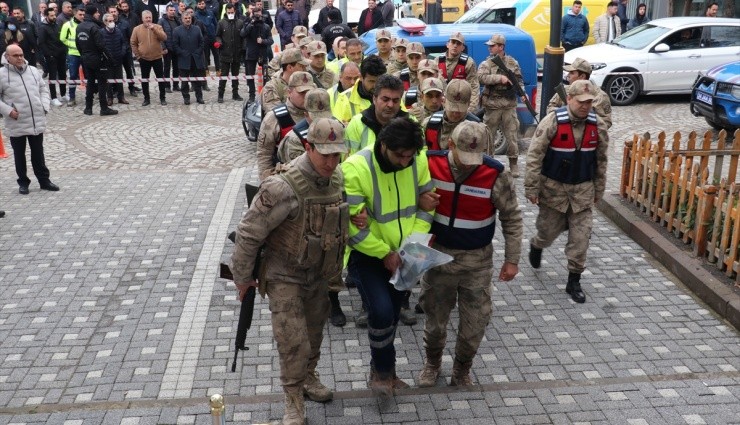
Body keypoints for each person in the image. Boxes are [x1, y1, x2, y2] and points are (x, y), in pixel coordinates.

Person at [231, 117, 349, 425]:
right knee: (293, 341)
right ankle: (293, 401)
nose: (332, 161)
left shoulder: (336, 179)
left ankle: (309, 378)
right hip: (286, 276)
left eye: (337, 154)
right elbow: (248, 232)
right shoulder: (282, 185)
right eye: (326, 154)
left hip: (319, 275)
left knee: (313, 335)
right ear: (308, 147)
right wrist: (243, 277)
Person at [418, 122, 522, 388]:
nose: (470, 165)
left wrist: (512, 259)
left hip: (476, 263)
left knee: (474, 324)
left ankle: (462, 369)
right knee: (435, 322)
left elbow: (511, 217)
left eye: (475, 159)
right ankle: (432, 364)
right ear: (450, 145)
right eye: (464, 158)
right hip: (437, 258)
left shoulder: (495, 174)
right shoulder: (428, 165)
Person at [341, 116, 433, 396]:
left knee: (392, 314)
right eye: (399, 156)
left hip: (406, 254)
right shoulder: (355, 169)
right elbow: (351, 229)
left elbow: (427, 209)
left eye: (410, 156)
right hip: (367, 255)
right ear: (383, 145)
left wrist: (411, 247)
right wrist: (384, 253)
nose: (405, 162)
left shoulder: (418, 160)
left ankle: (385, 371)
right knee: (380, 311)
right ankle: (382, 372)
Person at [524, 80, 609, 304]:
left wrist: (599, 189)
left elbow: (601, 161)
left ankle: (574, 280)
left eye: (589, 102)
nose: (585, 106)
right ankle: (537, 244)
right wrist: (531, 187)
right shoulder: (552, 121)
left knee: (581, 239)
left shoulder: (597, 125)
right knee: (547, 233)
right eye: (581, 101)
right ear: (569, 99)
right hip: (553, 192)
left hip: (582, 192)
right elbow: (534, 156)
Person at [0, 45, 60, 195]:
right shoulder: (1, 74)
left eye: (21, 54)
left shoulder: (33, 71)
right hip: (16, 121)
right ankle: (23, 182)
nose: (20, 58)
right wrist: (8, 111)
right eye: (15, 55)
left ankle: (44, 180)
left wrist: (44, 106)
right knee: (19, 155)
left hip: (35, 119)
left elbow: (43, 90)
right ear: (7, 57)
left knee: (38, 153)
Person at [478, 34, 527, 177]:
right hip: (492, 104)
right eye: (489, 45)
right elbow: (480, 77)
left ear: (501, 47)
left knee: (511, 135)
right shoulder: (486, 64)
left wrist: (523, 93)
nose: (489, 48)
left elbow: (519, 80)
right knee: (489, 136)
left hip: (508, 104)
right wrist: (499, 78)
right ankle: (488, 162)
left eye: (492, 46)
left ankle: (513, 163)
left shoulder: (512, 62)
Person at [257, 71, 316, 180]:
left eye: (309, 92)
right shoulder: (274, 118)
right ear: (289, 92)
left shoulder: (319, 114)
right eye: (302, 93)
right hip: (285, 180)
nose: (307, 97)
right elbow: (264, 155)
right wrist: (267, 182)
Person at [546, 57, 612, 129]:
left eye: (572, 73)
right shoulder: (564, 90)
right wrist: (565, 112)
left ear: (582, 76)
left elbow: (606, 122)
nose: (568, 75)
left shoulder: (600, 96)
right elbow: (550, 108)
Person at [76, 4, 118, 116]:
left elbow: (78, 44)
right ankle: (104, 108)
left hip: (86, 58)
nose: (99, 14)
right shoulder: (94, 27)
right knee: (102, 84)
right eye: (97, 12)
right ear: (93, 13)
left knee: (90, 83)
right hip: (97, 59)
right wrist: (110, 59)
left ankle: (88, 108)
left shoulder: (80, 26)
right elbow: (101, 46)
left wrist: (84, 55)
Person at [422, 79, 482, 150]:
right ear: (444, 101)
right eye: (452, 109)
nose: (455, 114)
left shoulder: (477, 128)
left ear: (468, 104)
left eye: (460, 110)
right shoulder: (428, 124)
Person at [333, 54, 386, 124]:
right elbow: (337, 129)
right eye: (371, 81)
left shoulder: (391, 94)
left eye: (379, 81)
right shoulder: (344, 99)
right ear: (360, 77)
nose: (375, 85)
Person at [130, 9, 168, 106]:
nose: (148, 19)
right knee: (144, 79)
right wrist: (138, 56)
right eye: (146, 18)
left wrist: (153, 29)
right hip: (144, 59)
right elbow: (133, 43)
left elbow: (164, 38)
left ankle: (162, 98)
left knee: (160, 79)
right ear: (142, 19)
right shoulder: (137, 29)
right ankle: (146, 98)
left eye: (149, 17)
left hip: (157, 58)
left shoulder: (158, 27)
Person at [438, 32, 479, 114]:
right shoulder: (437, 60)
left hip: (460, 106)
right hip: (441, 105)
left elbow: (474, 87)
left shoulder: (468, 63)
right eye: (453, 42)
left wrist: (471, 110)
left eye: (459, 44)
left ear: (463, 48)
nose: (455, 45)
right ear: (447, 44)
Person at [261, 47, 308, 115]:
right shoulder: (272, 87)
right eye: (301, 66)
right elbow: (276, 114)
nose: (305, 69)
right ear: (290, 67)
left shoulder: (306, 83)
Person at [241, 5, 273, 102]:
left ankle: (264, 94)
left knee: (265, 75)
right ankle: (251, 95)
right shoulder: (248, 23)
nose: (258, 17)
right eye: (256, 15)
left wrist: (263, 41)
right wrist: (251, 22)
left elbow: (271, 40)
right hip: (251, 53)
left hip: (262, 53)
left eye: (259, 15)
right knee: (250, 75)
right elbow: (242, 34)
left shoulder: (266, 26)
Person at [173, 11, 205, 105]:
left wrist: (198, 52)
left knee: (197, 81)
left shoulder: (197, 29)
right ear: (182, 20)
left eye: (189, 18)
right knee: (184, 81)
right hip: (184, 59)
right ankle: (186, 98)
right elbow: (175, 45)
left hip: (196, 59)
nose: (188, 20)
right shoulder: (177, 30)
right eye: (186, 18)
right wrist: (182, 53)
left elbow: (202, 42)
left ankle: (199, 97)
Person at [38, 7, 67, 107]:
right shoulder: (43, 27)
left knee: (63, 75)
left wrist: (64, 50)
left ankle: (63, 94)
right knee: (53, 77)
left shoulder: (57, 25)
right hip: (51, 56)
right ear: (46, 16)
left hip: (61, 55)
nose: (54, 17)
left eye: (54, 15)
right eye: (52, 15)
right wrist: (49, 55)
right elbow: (41, 43)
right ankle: (54, 98)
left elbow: (62, 38)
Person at [214, 3, 243, 103]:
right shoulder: (221, 23)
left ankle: (235, 94)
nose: (230, 14)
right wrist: (219, 42)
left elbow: (242, 37)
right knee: (224, 76)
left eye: (232, 12)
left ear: (235, 11)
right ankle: (220, 95)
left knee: (235, 76)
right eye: (229, 12)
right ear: (226, 12)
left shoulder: (240, 22)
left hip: (236, 53)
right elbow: (217, 35)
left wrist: (242, 49)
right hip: (225, 53)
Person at [101, 12, 129, 106]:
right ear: (105, 22)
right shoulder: (101, 33)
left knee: (119, 79)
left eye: (113, 20)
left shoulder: (118, 31)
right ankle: (110, 98)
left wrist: (122, 52)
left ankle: (121, 97)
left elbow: (124, 43)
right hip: (107, 61)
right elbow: (100, 46)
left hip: (118, 58)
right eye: (110, 21)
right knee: (109, 81)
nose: (112, 22)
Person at [60, 6, 84, 107]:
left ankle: (91, 95)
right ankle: (72, 97)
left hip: (85, 53)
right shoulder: (67, 25)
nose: (82, 16)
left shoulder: (85, 24)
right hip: (73, 54)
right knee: (73, 76)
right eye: (80, 14)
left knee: (89, 75)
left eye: (83, 14)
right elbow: (62, 38)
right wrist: (71, 45)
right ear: (75, 14)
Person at [158, 5, 181, 93]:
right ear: (167, 11)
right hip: (167, 48)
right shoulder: (162, 21)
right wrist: (163, 47)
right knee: (167, 68)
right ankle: (167, 86)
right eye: (171, 10)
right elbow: (159, 36)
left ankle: (176, 85)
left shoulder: (177, 20)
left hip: (176, 48)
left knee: (176, 67)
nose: (172, 12)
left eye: (174, 10)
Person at [194, 0, 218, 77]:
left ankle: (218, 70)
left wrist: (216, 35)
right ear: (197, 5)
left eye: (203, 3)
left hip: (213, 36)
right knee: (205, 55)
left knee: (216, 54)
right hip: (204, 37)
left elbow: (215, 23)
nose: (201, 5)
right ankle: (206, 70)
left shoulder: (210, 13)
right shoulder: (196, 15)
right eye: (200, 4)